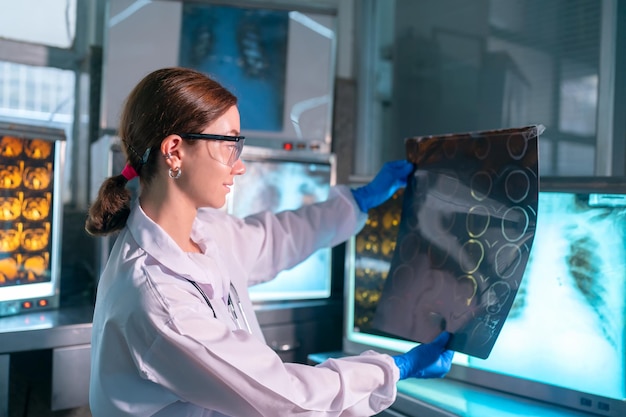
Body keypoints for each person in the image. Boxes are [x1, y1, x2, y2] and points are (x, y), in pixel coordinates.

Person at [85, 67, 453, 417]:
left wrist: (358, 202)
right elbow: (289, 402)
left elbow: (276, 238)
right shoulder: (159, 303)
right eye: (229, 144)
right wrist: (395, 369)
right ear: (175, 150)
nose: (239, 165)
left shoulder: (204, 233)